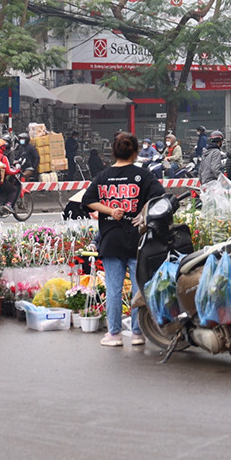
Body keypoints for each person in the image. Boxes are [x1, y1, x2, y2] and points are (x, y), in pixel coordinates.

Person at [81, 132, 165, 347]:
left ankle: (114, 334)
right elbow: (159, 197)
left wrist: (109, 210)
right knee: (139, 288)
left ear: (113, 151)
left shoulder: (103, 176)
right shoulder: (143, 175)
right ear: (136, 152)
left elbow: (87, 200)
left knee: (113, 289)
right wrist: (143, 211)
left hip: (111, 239)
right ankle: (138, 334)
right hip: (137, 239)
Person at [0, 138, 22, 209]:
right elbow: (8, 171)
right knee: (13, 190)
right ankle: (8, 205)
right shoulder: (3, 157)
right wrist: (17, 171)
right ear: (2, 148)